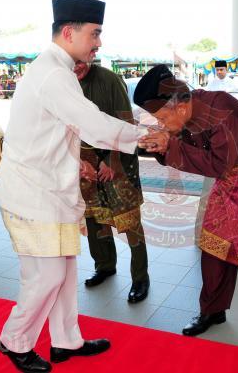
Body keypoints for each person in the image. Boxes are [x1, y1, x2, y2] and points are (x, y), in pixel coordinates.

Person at [0, 0, 151, 373]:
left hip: (50, 191)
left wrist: (74, 160)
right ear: (69, 32)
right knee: (45, 276)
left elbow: (51, 130)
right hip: (32, 195)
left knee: (63, 271)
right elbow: (91, 123)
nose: (99, 43)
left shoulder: (55, 69)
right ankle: (13, 340)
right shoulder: (54, 74)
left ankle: (65, 341)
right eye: (94, 34)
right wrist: (145, 137)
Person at [135, 65, 238, 341]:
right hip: (230, 177)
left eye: (162, 118)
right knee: (214, 244)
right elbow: (193, 149)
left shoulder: (222, 112)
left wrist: (170, 146)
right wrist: (159, 145)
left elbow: (217, 165)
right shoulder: (189, 110)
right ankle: (212, 311)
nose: (161, 124)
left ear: (180, 107)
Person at [74, 61, 150, 303]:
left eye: (79, 62)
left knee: (129, 219)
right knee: (94, 216)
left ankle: (140, 277)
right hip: (84, 160)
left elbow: (126, 122)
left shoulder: (109, 80)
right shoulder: (63, 80)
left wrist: (111, 160)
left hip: (117, 158)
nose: (76, 67)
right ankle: (104, 265)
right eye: (71, 62)